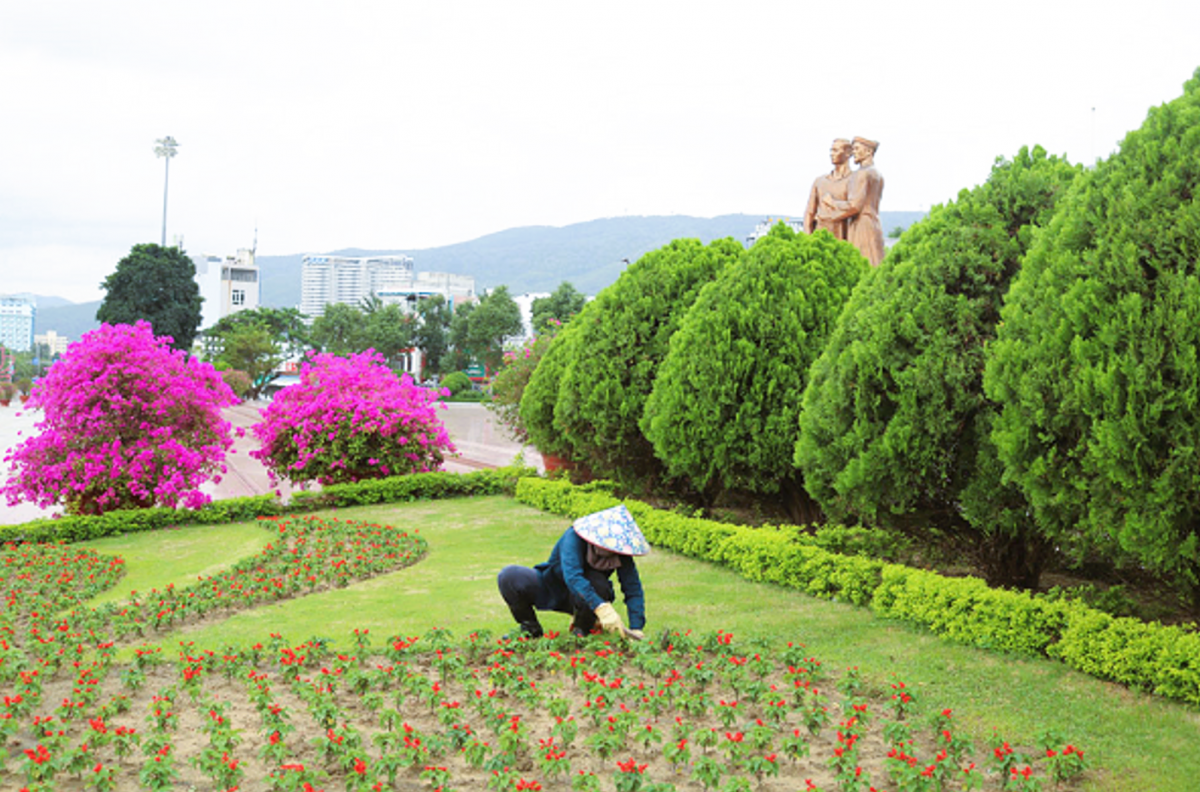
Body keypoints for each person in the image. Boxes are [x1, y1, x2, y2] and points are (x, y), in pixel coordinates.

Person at [497, 504, 649, 639]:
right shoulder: (574, 537)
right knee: (509, 577)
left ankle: (581, 628)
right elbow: (573, 577)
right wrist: (601, 608)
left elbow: (633, 589)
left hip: (586, 598)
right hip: (553, 585)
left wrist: (636, 627)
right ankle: (530, 629)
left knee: (599, 584)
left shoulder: (622, 554)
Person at [821, 136, 886, 266]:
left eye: (856, 149)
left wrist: (832, 203)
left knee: (862, 264)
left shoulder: (861, 174)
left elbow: (854, 206)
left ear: (868, 152)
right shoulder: (877, 174)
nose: (853, 152)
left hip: (861, 225)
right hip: (874, 224)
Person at [803, 138, 853, 239]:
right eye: (831, 150)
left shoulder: (855, 180)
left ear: (848, 153)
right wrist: (807, 239)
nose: (831, 154)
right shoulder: (820, 181)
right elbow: (809, 212)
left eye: (836, 150)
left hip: (844, 236)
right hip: (821, 235)